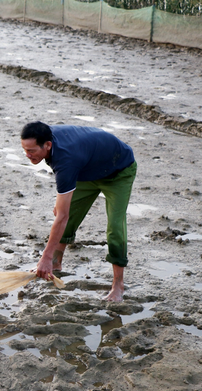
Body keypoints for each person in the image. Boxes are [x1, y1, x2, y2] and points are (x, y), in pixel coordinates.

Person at [20, 121, 137, 301]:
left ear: (48, 145)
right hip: (87, 170)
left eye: (32, 151)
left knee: (115, 227)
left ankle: (118, 286)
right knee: (66, 213)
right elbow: (64, 213)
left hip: (118, 171)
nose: (27, 155)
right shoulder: (47, 137)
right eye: (25, 150)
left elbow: (62, 217)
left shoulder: (66, 160)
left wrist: (44, 257)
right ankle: (56, 263)